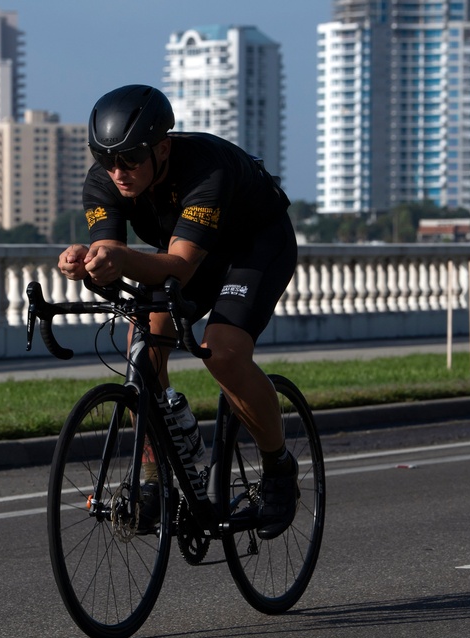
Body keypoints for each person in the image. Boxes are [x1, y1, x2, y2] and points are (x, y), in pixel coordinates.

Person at [57, 84, 299, 539]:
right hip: (186, 254)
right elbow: (112, 249)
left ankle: (279, 466)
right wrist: (88, 261)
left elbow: (183, 267)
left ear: (162, 148)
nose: (117, 171)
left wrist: (121, 260)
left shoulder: (205, 169)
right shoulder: (105, 179)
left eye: (129, 158)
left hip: (253, 247)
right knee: (141, 356)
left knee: (222, 352)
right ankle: (154, 482)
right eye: (105, 159)